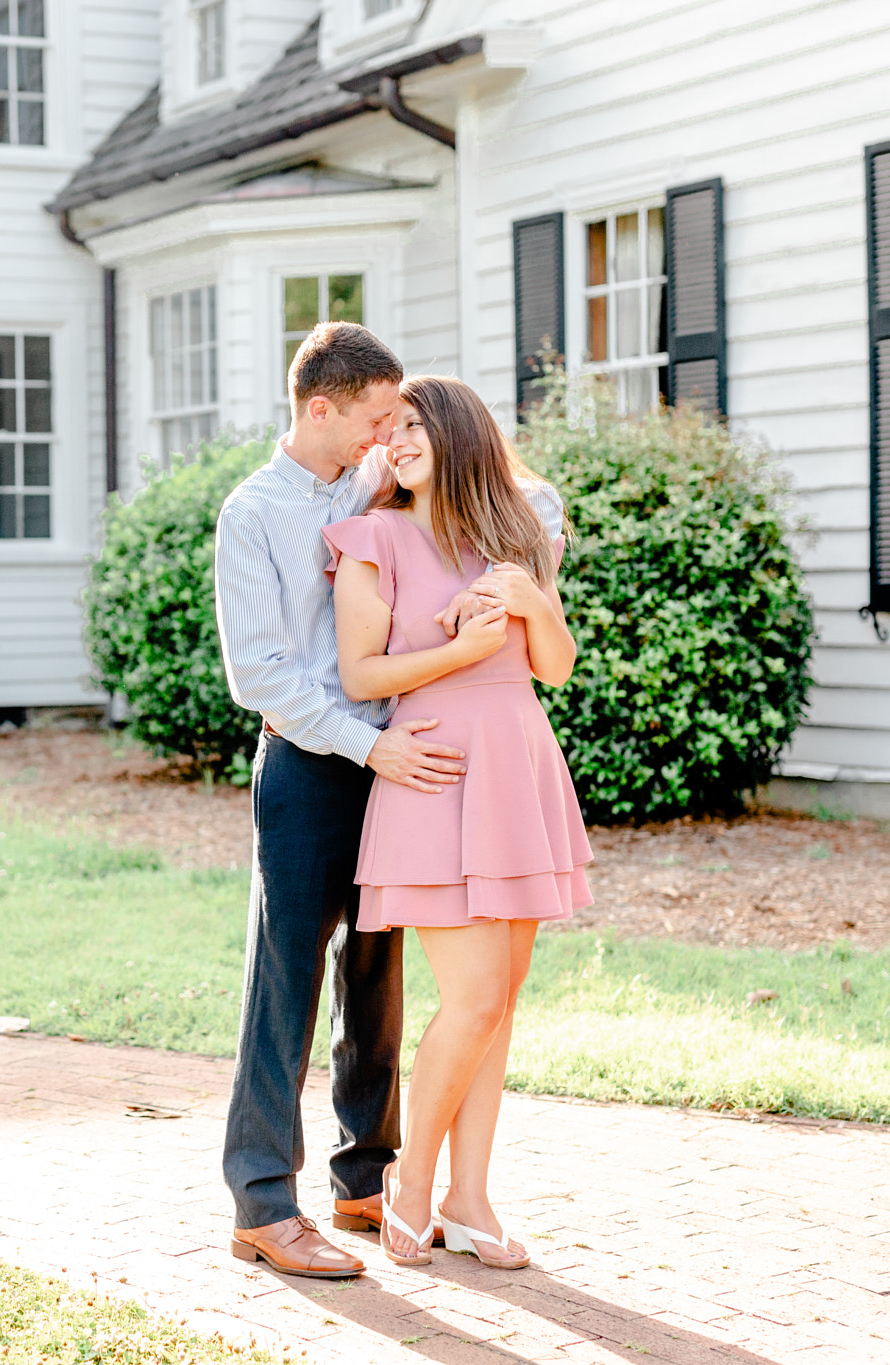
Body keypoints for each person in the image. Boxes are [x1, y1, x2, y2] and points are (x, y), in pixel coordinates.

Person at [214, 325, 557, 1279]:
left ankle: (364, 1175)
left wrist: (518, 562)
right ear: (321, 408)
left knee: (379, 973)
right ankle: (263, 1203)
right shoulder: (254, 514)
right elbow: (261, 677)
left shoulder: (370, 486)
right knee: (286, 975)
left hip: (402, 758)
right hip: (319, 759)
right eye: (373, 416)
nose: (385, 435)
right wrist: (372, 744)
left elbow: (509, 491)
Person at [320, 374, 592, 1272]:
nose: (393, 440)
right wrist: (467, 647)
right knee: (471, 997)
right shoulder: (374, 537)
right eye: (386, 429)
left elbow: (553, 667)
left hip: (520, 769)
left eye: (410, 426)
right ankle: (410, 1187)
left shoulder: (513, 539)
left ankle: (471, 1200)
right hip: (436, 775)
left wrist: (531, 600)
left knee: (499, 1005)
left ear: (458, 434)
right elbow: (361, 675)